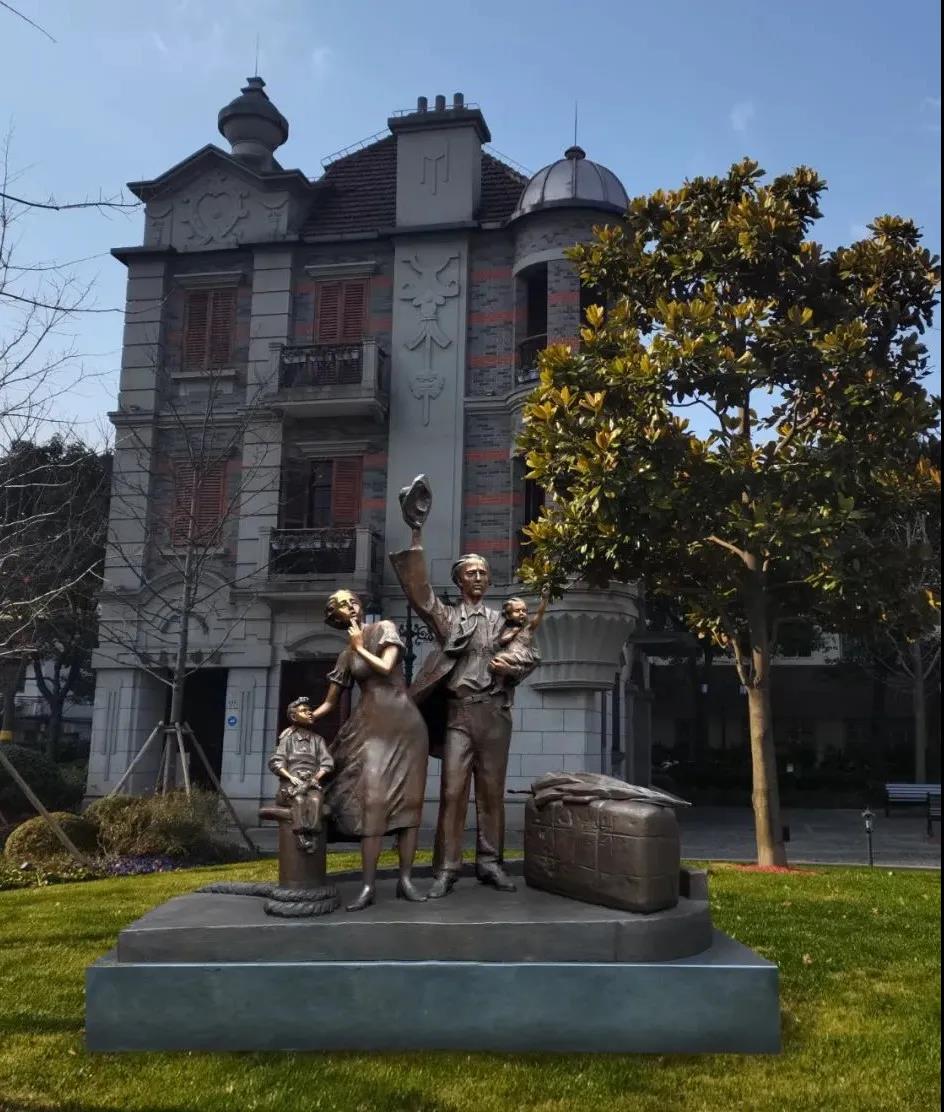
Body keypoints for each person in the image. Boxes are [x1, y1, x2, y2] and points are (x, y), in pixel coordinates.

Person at [390, 522, 540, 900]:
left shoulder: (502, 621)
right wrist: (416, 537)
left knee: (491, 794)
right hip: (459, 714)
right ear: (459, 581)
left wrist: (511, 664)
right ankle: (447, 868)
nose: (478, 578)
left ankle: (490, 863)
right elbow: (421, 595)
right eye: (471, 573)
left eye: (483, 573)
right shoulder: (449, 619)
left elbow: (528, 652)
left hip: (495, 714)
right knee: (453, 792)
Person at [307, 589, 429, 912]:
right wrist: (304, 719)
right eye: (341, 605)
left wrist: (360, 646)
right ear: (335, 617)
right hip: (372, 729)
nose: (350, 606)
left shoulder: (384, 629)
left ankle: (406, 880)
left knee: (409, 807)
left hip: (406, 727)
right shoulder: (345, 656)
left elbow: (387, 668)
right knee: (373, 804)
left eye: (352, 601)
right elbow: (330, 703)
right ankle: (368, 885)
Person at [268, 697, 334, 853]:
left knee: (316, 800)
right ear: (293, 716)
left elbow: (327, 763)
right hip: (290, 787)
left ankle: (314, 836)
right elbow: (276, 762)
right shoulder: (287, 739)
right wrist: (291, 777)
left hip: (312, 784)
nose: (309, 713)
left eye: (310, 710)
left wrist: (316, 778)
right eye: (304, 711)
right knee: (299, 800)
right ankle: (301, 837)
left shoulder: (318, 740)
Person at [489, 590, 549, 691]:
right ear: (508, 615)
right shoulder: (506, 629)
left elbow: (539, 615)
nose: (522, 613)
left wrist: (545, 599)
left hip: (522, 655)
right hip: (511, 655)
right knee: (494, 665)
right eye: (517, 611)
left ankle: (502, 683)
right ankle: (500, 685)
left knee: (499, 657)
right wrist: (512, 634)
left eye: (524, 611)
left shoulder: (528, 629)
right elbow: (499, 643)